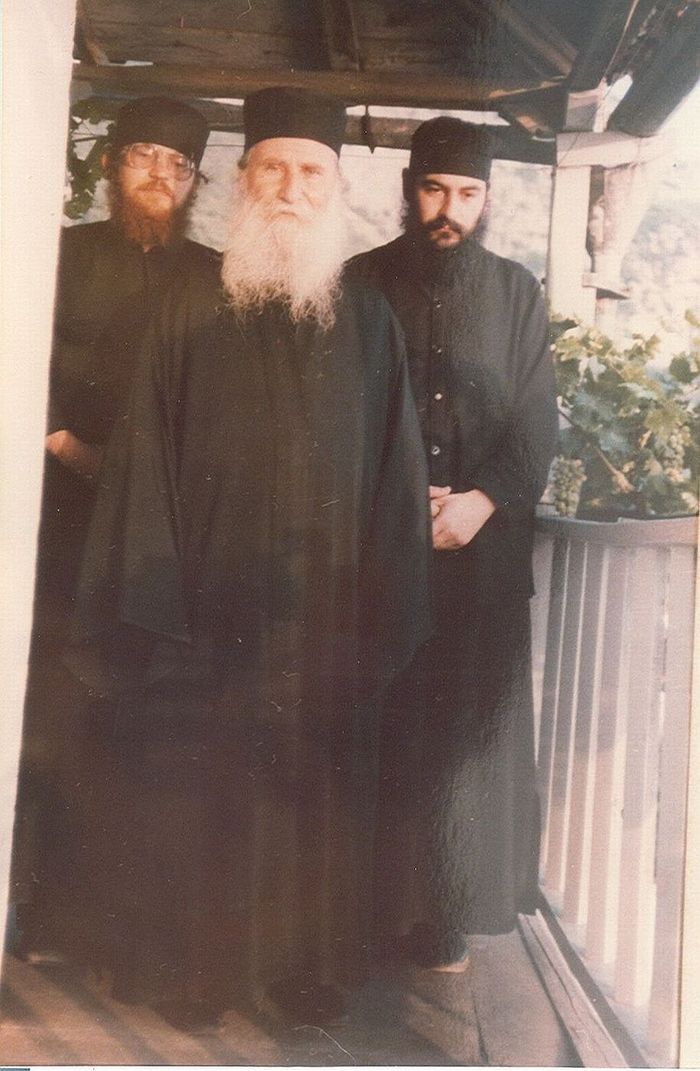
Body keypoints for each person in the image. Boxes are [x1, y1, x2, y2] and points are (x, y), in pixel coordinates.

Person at [67, 86, 431, 1027]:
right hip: (206, 610)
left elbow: (395, 475)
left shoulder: (369, 320)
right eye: (271, 167)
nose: (290, 188)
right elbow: (146, 453)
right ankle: (201, 972)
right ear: (240, 181)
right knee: (202, 787)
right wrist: (155, 594)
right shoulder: (189, 300)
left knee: (316, 789)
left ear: (339, 187)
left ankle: (303, 970)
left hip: (324, 617)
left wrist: (381, 604)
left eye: (311, 171)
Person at [351, 117, 559, 970]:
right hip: (378, 550)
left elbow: (536, 422)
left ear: (486, 200)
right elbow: (340, 413)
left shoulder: (517, 294)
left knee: (462, 737)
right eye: (435, 189)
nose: (449, 209)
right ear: (409, 189)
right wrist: (403, 501)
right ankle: (366, 913)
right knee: (381, 726)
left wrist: (478, 500)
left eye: (467, 193)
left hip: (482, 555)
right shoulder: (358, 283)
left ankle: (446, 919)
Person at [11, 96, 214, 959]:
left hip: (166, 533)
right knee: (57, 709)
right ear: (111, 168)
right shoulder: (55, 255)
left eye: (178, 164)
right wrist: (66, 441)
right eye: (143, 158)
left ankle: (127, 922)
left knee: (150, 715)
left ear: (197, 181)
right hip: (62, 513)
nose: (159, 177)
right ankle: (43, 916)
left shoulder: (216, 274)